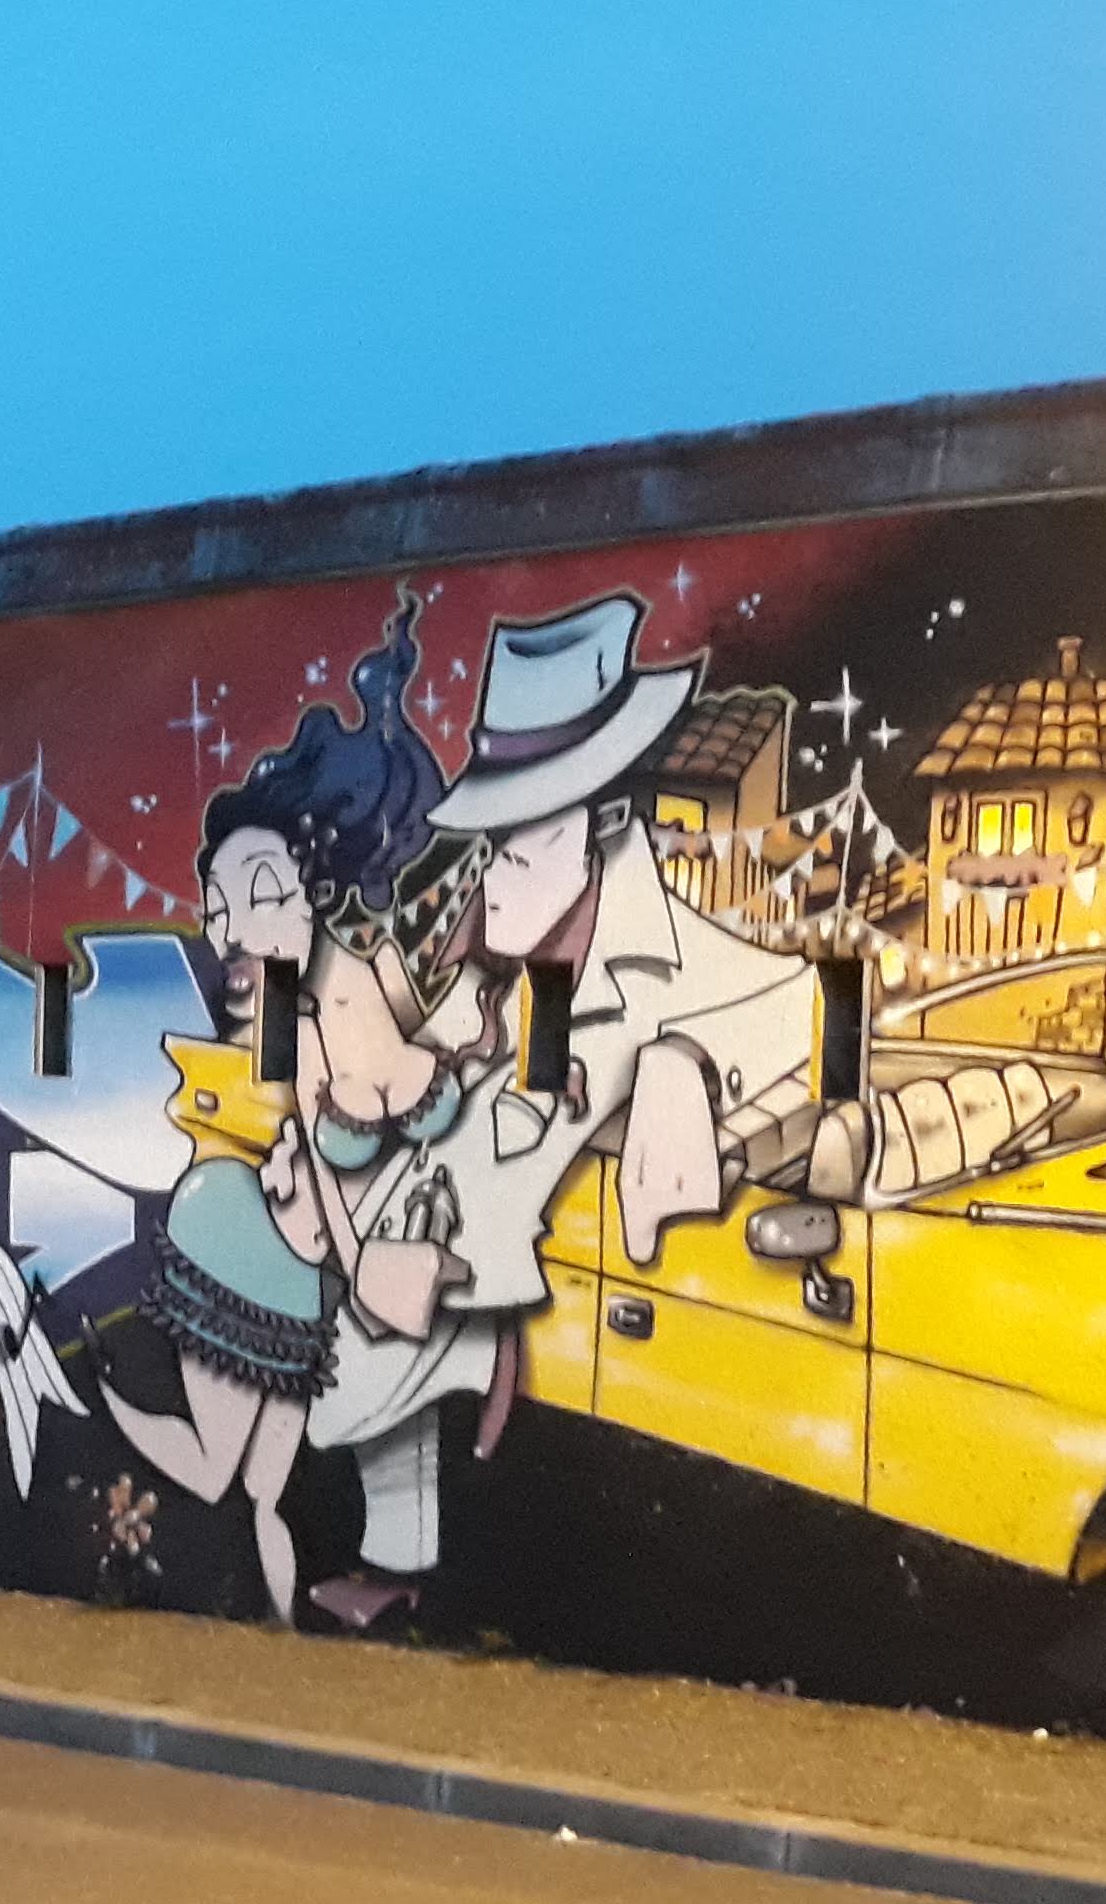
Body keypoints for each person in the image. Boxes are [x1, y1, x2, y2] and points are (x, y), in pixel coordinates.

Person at [303, 594, 821, 1615]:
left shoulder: (668, 950)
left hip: (525, 1264)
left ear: (599, 825)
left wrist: (685, 1069)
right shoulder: (486, 956)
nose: (495, 874)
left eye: (522, 846)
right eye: (493, 846)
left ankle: (417, 1565)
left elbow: (800, 1001)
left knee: (371, 1373)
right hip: (429, 1224)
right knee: (362, 1380)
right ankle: (400, 1566)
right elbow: (433, 1065)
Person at [102, 598, 452, 1624]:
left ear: (310, 885)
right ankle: (102, 1399)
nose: (231, 932)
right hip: (233, 1244)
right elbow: (331, 1145)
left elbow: (391, 1113)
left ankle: (282, 1631)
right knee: (226, 1474)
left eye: (255, 895)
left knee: (261, 1490)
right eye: (221, 909)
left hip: (293, 1280)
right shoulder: (295, 1011)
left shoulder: (349, 985)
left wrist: (431, 1072)